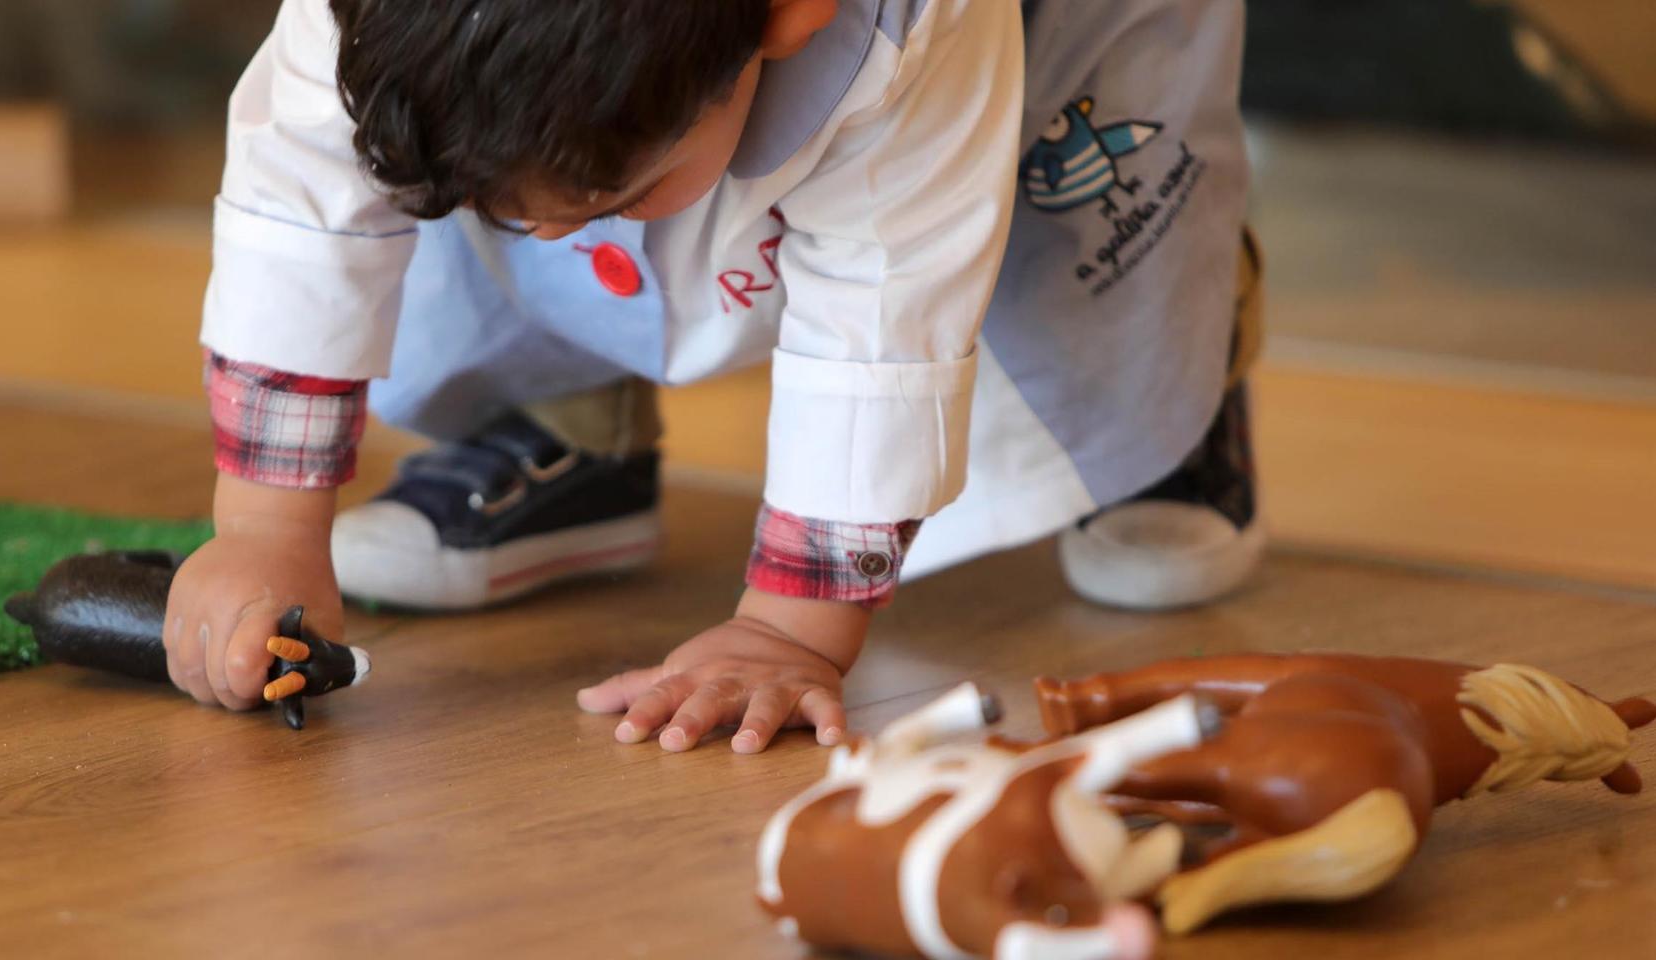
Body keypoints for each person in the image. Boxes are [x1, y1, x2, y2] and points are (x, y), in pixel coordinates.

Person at [167, 0, 1264, 756]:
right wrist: (268, 528)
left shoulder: (906, 37)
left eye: (604, 196)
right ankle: (566, 426)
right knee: (483, 176)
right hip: (564, 59)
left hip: (1060, 42)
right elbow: (299, 205)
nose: (540, 231)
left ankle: (1166, 402)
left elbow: (888, 307)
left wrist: (788, 631)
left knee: (1087, 212)